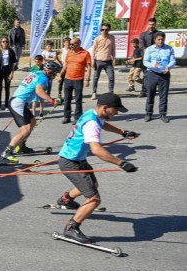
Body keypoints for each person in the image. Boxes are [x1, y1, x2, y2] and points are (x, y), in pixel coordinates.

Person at [55, 93, 139, 243]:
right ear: (105, 107)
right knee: (94, 199)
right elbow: (97, 150)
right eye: (115, 109)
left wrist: (123, 132)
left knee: (92, 185)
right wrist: (122, 163)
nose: (117, 112)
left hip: (76, 158)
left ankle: (66, 200)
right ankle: (71, 228)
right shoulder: (91, 123)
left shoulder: (94, 114)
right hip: (70, 162)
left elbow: (104, 124)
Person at [0, 60, 62, 162]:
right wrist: (52, 100)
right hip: (18, 103)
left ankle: (21, 146)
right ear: (49, 71)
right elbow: (39, 91)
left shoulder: (36, 72)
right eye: (54, 73)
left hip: (19, 101)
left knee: (33, 122)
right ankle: (7, 151)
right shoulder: (43, 77)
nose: (55, 75)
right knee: (26, 130)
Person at [143, 32, 176, 123]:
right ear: (155, 40)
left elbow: (173, 60)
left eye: (162, 39)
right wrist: (153, 65)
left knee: (163, 96)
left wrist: (168, 67)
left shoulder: (169, 49)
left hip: (164, 74)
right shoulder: (149, 49)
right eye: (159, 39)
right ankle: (149, 113)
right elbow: (145, 61)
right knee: (150, 94)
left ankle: (162, 114)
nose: (161, 41)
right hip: (152, 74)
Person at [61, 37, 92, 124]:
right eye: (70, 44)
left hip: (78, 79)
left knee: (78, 99)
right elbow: (66, 64)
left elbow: (89, 67)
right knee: (67, 99)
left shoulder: (85, 53)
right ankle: (66, 116)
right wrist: (60, 75)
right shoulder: (69, 52)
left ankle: (77, 117)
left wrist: (88, 79)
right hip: (68, 78)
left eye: (72, 44)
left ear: (78, 44)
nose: (70, 46)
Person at [138, 17, 163, 98]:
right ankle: (143, 91)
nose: (151, 26)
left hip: (157, 58)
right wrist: (147, 51)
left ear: (155, 24)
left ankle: (153, 90)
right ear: (148, 24)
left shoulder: (159, 34)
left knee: (156, 74)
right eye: (150, 24)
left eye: (153, 24)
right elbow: (141, 46)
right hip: (146, 58)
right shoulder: (143, 34)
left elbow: (161, 44)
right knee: (146, 75)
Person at [90, 23, 116, 100]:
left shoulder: (112, 38)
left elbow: (113, 49)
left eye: (106, 29)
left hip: (108, 61)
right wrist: (93, 60)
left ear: (109, 30)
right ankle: (94, 93)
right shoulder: (98, 38)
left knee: (111, 77)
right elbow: (94, 50)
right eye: (102, 29)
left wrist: (114, 58)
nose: (104, 31)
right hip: (98, 61)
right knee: (96, 77)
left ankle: (111, 92)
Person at [0, 37, 17, 111]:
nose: (5, 43)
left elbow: (14, 63)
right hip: (0, 71)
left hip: (8, 70)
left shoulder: (11, 51)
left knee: (7, 88)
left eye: (6, 41)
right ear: (1, 43)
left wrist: (12, 73)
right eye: (3, 41)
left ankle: (6, 104)